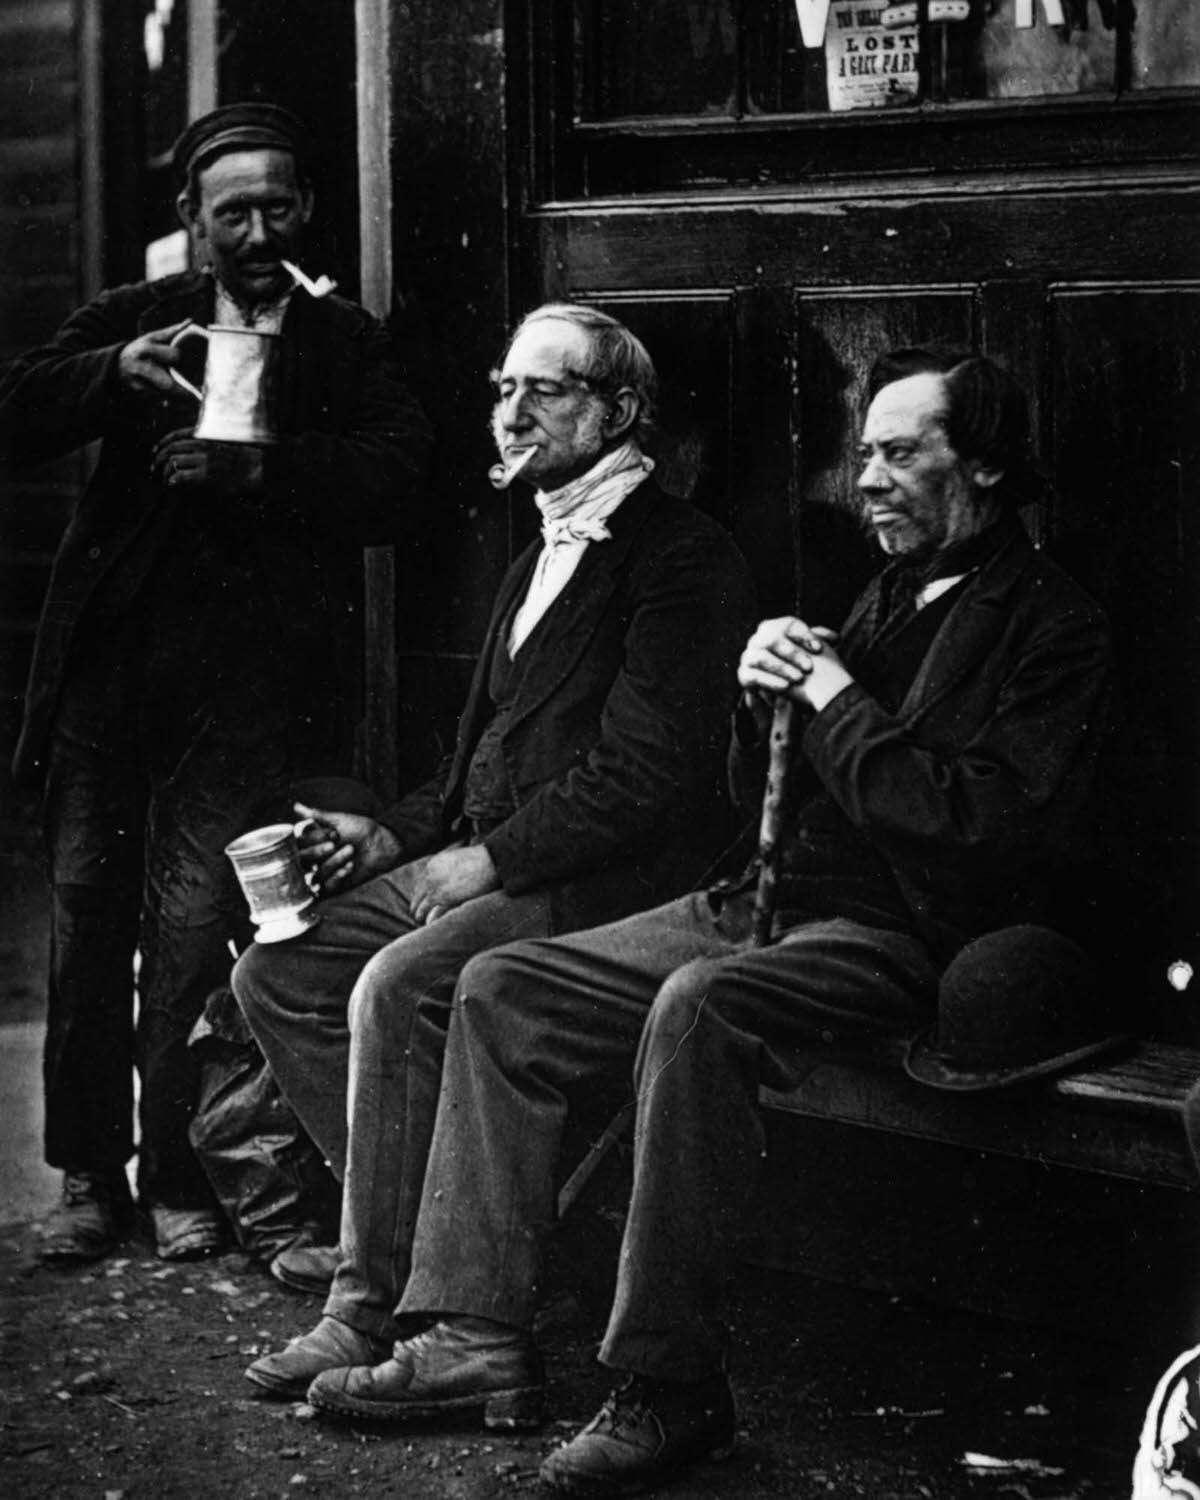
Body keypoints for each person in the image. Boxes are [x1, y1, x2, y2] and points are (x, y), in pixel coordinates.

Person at [292, 346, 1115, 1498]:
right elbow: (767, 793)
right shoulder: (887, 593)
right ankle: (475, 1334)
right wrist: (758, 703)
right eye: (863, 454)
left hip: (900, 933)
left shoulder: (1054, 626)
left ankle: (670, 1389)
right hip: (765, 902)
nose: (865, 481)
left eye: (898, 454)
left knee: (698, 1006)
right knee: (503, 986)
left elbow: (972, 830)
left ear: (981, 468)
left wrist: (828, 698)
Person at [233, 302, 756, 1394]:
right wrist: (393, 836)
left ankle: (377, 1304)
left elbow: (649, 778)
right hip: (497, 862)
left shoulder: (684, 558)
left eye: (544, 390)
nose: (510, 412)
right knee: (281, 969)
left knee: (399, 984)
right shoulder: (532, 557)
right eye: (502, 388)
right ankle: (446, 1248)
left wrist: (489, 861)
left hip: (603, 886)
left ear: (620, 411)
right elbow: (474, 757)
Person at [0, 103, 432, 1264]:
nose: (254, 228)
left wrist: (260, 471)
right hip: (111, 673)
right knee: (88, 915)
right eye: (229, 209)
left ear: (307, 209)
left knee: (195, 929)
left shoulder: (346, 341)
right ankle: (91, 1178)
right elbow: (15, 407)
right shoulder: (141, 321)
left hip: (243, 688)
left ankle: (182, 1174)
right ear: (191, 221)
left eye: (275, 206)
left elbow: (402, 478)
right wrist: (108, 376)